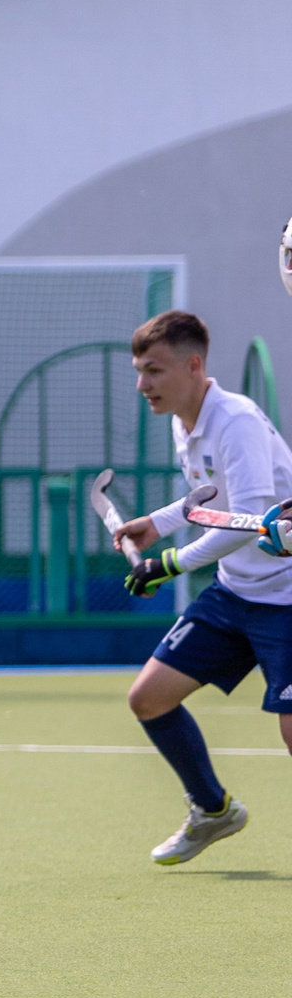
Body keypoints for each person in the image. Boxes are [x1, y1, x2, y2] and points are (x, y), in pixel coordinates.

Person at [113, 308, 292, 864]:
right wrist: (158, 522)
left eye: (154, 371)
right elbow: (208, 497)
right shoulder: (182, 418)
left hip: (286, 597)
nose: (143, 385)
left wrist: (169, 562)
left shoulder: (234, 420)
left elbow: (249, 520)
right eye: (140, 371)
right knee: (149, 698)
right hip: (236, 594)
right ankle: (213, 811)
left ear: (194, 366)